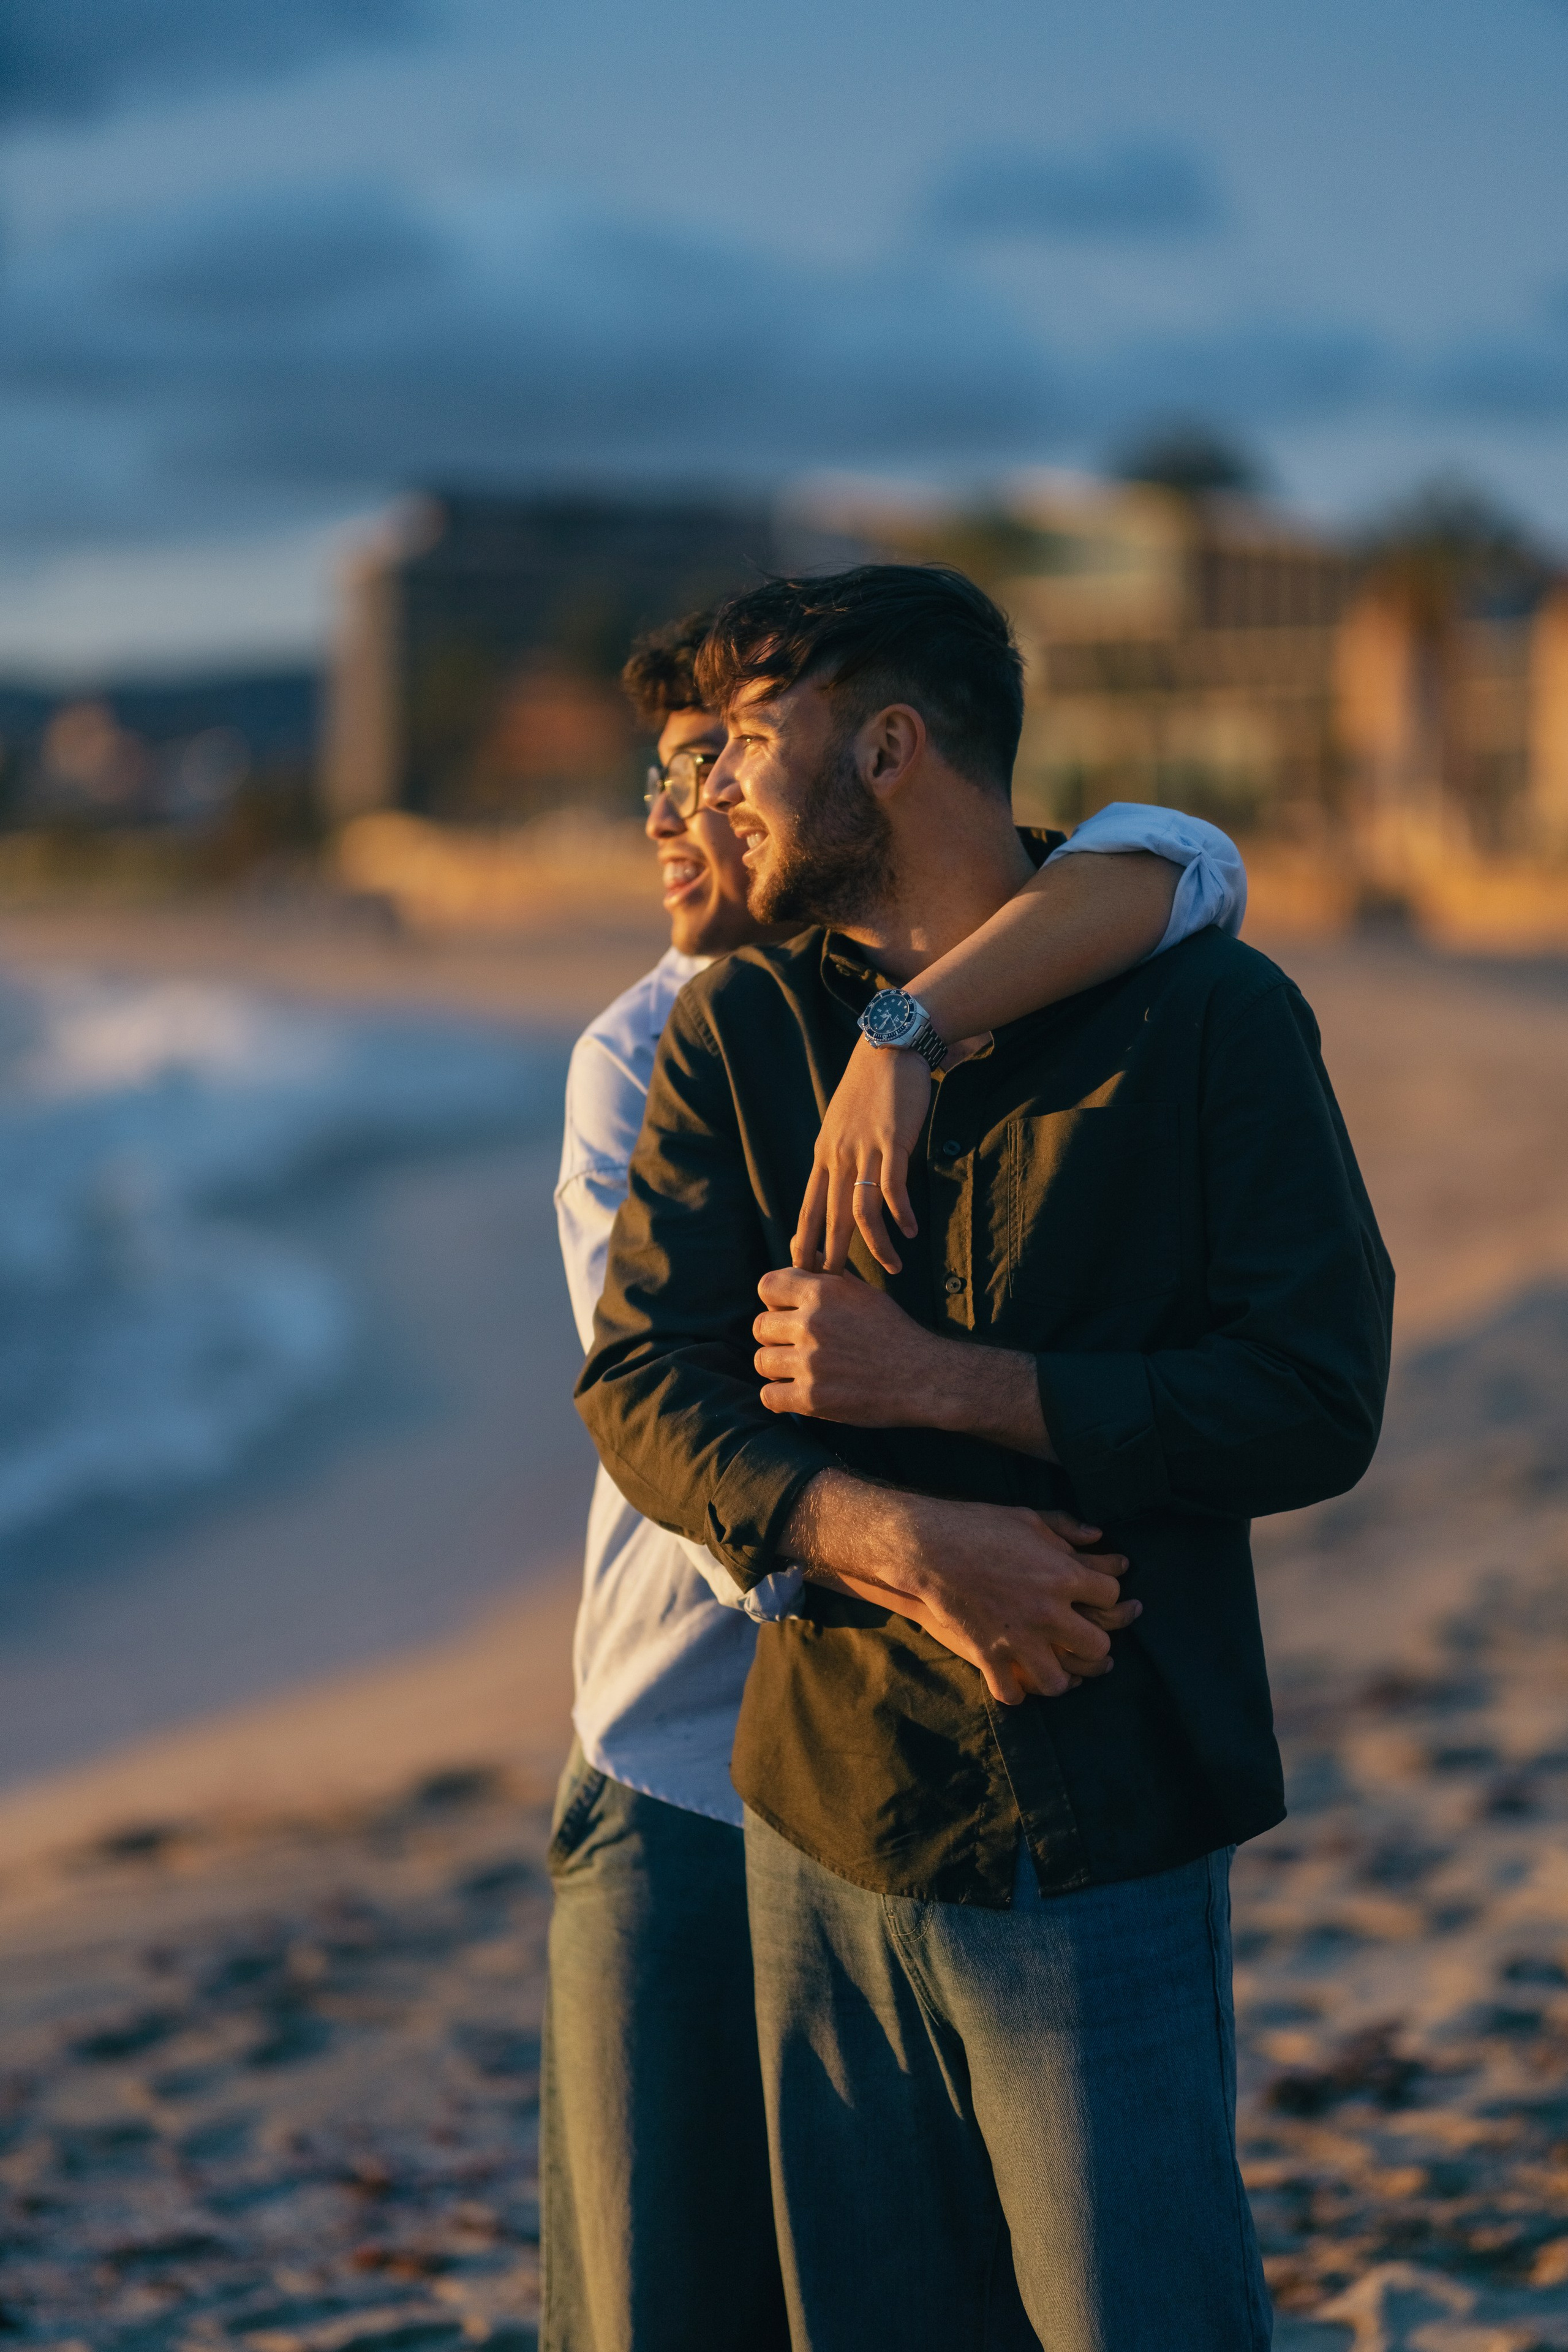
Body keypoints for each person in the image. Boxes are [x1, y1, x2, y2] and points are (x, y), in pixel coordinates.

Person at [576, 566, 1393, 2351]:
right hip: (818, 1823)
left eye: (755, 746)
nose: (717, 793)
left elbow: (1316, 1398)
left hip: (1097, 1814)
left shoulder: (1205, 1023)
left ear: (890, 749)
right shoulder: (733, 1032)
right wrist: (884, 1533)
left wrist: (951, 1389)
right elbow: (643, 1379)